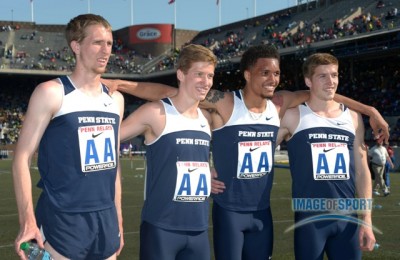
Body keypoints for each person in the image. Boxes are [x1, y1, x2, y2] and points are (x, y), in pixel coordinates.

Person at [106, 44, 389, 260]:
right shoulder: (227, 103)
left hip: (262, 214)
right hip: (229, 212)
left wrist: (370, 110)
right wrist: (124, 85)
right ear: (247, 74)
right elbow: (170, 92)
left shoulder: (280, 104)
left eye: (276, 73)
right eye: (264, 72)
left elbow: (325, 92)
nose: (272, 78)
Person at [11, 14, 174, 260]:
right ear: (76, 46)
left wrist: (118, 215)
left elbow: (113, 163)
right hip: (62, 220)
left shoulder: (115, 100)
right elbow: (21, 158)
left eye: (109, 44)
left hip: (106, 222)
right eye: (97, 42)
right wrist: (27, 221)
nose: (106, 50)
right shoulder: (52, 93)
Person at [120, 44, 217, 260]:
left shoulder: (206, 119)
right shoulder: (155, 113)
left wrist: (208, 169)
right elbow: (109, 139)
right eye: (199, 74)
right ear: (181, 74)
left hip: (199, 229)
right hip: (161, 228)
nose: (206, 82)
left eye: (210, 76)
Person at [277, 53, 376, 259]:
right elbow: (259, 145)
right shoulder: (293, 115)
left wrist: (366, 219)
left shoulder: (353, 117)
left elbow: (362, 170)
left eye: (334, 75)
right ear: (308, 81)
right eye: (322, 76)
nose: (331, 82)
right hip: (310, 218)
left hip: (348, 217)